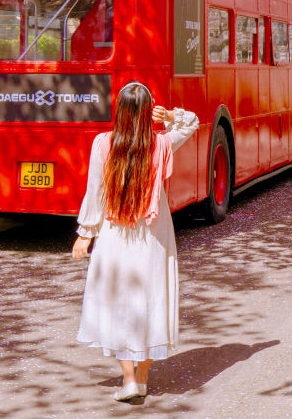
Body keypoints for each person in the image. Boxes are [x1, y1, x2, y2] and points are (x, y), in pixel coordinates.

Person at [72, 81, 199, 402]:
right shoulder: (163, 143)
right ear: (147, 113)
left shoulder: (103, 144)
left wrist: (86, 233)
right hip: (154, 235)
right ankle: (141, 378)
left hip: (116, 234)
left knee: (117, 302)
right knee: (151, 299)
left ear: (120, 112)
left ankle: (129, 378)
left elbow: (96, 192)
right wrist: (170, 116)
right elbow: (193, 122)